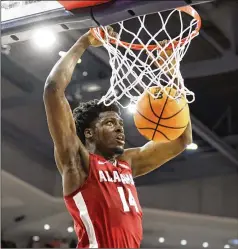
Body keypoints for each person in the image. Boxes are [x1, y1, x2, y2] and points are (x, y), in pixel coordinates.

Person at [43, 28, 192, 248]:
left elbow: (182, 139)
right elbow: (52, 90)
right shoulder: (78, 163)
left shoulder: (126, 164)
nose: (120, 130)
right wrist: (83, 42)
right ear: (89, 133)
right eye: (110, 123)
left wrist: (171, 73)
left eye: (120, 124)